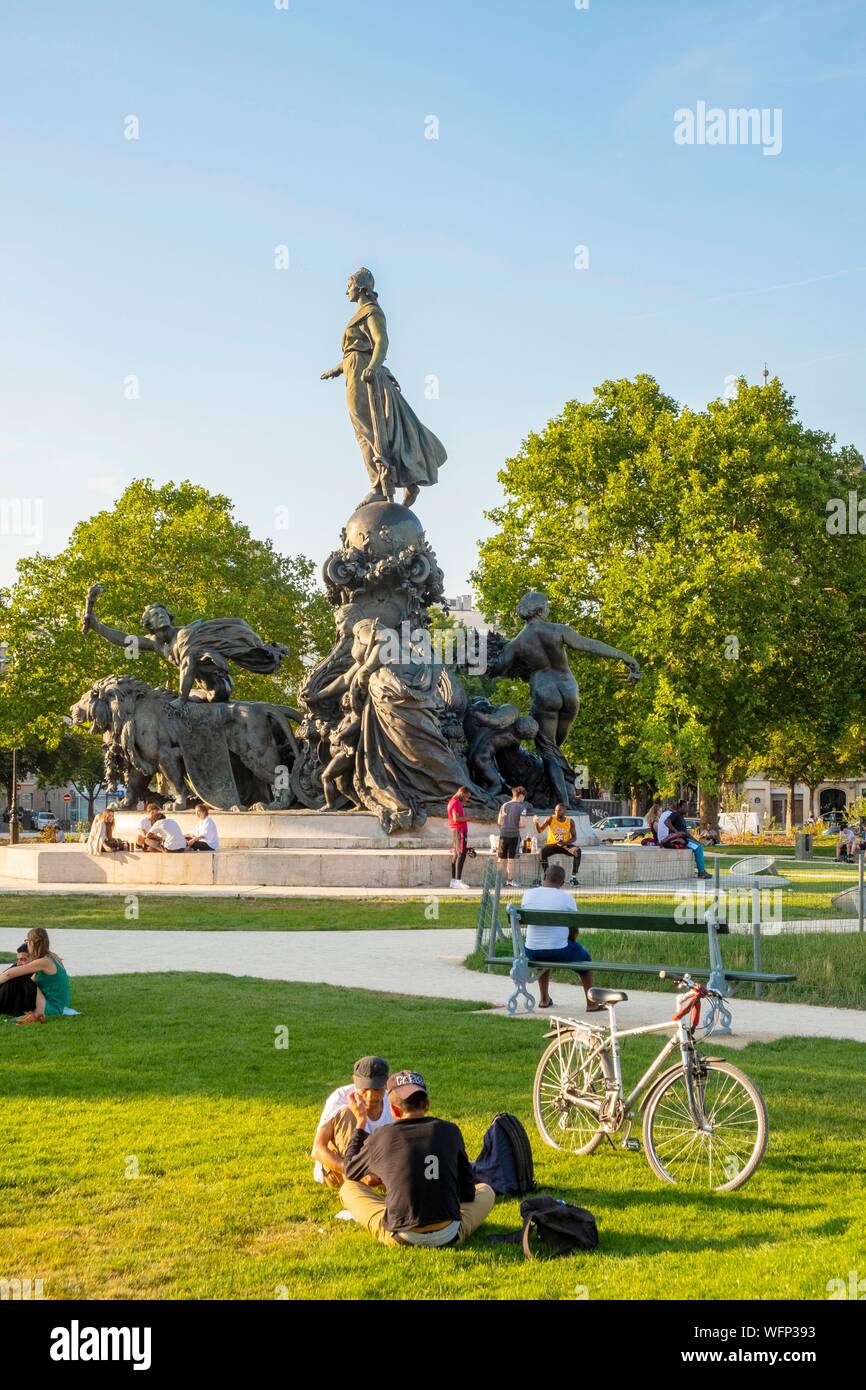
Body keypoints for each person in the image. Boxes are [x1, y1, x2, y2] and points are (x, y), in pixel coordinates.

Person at [320, 268, 447, 508]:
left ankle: (383, 484)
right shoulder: (360, 314)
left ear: (359, 286)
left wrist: (373, 366)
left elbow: (381, 342)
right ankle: (391, 481)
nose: (346, 290)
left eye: (349, 285)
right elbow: (357, 349)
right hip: (352, 369)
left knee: (370, 427)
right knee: (362, 431)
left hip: (364, 372)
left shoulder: (371, 311)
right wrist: (337, 369)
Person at [339, 1070, 495, 1247]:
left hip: (402, 1236)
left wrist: (360, 1123)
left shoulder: (381, 1136)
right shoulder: (450, 1130)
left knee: (348, 1188)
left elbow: (350, 1171)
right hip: (449, 1233)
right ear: (427, 1104)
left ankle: (395, 1214)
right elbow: (468, 1192)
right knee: (486, 1191)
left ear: (394, 1110)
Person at [521, 863, 598, 1011]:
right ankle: (592, 1003)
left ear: (544, 876)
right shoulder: (566, 898)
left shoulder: (528, 894)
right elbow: (574, 928)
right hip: (558, 950)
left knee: (544, 958)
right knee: (585, 962)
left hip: (531, 950)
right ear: (562, 883)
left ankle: (544, 999)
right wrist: (571, 940)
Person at [311, 1056, 394, 1189]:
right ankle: (355, 1184)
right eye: (365, 1089)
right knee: (347, 1113)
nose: (370, 1096)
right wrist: (358, 1174)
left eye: (377, 1089)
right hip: (338, 1170)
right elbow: (317, 1150)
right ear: (356, 1084)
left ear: (386, 1084)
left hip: (377, 1167)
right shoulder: (340, 1098)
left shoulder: (393, 1100)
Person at [0, 927, 71, 1025]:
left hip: (51, 1008)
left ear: (31, 943)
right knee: (17, 979)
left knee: (19, 977)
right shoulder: (51, 957)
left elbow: (9, 974)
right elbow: (32, 982)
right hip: (50, 1003)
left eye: (27, 941)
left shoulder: (44, 962)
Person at [659, 800, 711, 879]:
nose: (687, 809)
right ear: (679, 807)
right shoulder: (675, 814)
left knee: (698, 845)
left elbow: (686, 833)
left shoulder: (681, 817)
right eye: (685, 807)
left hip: (683, 840)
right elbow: (667, 822)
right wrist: (676, 832)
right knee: (698, 848)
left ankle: (702, 870)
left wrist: (696, 841)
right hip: (676, 841)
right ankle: (701, 872)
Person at [534, 804, 581, 884]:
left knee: (577, 851)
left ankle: (573, 877)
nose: (557, 812)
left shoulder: (570, 821)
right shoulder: (550, 818)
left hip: (565, 845)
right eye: (555, 810)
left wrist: (565, 843)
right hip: (553, 844)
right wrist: (536, 823)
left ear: (564, 811)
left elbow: (574, 837)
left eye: (559, 810)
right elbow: (540, 830)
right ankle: (547, 875)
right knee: (542, 851)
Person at [497, 785, 529, 887]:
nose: (523, 799)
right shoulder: (522, 807)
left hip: (503, 834)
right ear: (521, 795)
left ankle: (497, 881)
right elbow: (522, 824)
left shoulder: (504, 805)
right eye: (524, 797)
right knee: (511, 859)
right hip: (514, 835)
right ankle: (510, 881)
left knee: (501, 858)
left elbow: (499, 822)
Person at [0, 942, 37, 1018]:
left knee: (14, 980)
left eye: (23, 959)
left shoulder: (39, 967)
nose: (19, 963)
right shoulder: (18, 964)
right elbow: (4, 976)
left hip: (31, 1002)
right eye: (18, 959)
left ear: (34, 958)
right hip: (14, 1002)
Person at [447, 786, 471, 889]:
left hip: (457, 831)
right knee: (461, 854)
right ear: (461, 793)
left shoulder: (453, 801)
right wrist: (469, 818)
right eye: (466, 797)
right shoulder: (455, 802)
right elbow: (456, 819)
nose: (467, 799)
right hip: (459, 831)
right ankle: (458, 881)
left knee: (457, 855)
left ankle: (453, 881)